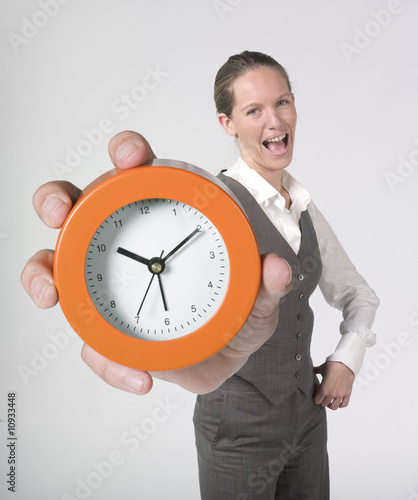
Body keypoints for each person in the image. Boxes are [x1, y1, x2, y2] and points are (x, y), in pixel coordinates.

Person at [21, 51, 379, 499]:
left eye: (282, 103)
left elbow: (357, 293)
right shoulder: (200, 208)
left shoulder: (304, 207)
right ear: (227, 123)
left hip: (307, 420)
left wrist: (347, 358)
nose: (274, 121)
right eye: (253, 110)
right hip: (235, 428)